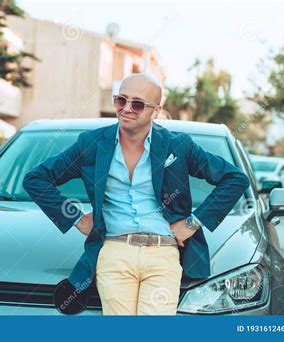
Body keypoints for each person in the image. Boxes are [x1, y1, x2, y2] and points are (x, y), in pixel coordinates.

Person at [23, 73, 250, 315]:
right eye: (121, 100)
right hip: (114, 251)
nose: (127, 109)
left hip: (163, 253)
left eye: (138, 104)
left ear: (156, 110)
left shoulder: (178, 145)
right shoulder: (91, 144)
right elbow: (35, 179)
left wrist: (192, 223)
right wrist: (76, 218)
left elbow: (235, 179)